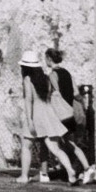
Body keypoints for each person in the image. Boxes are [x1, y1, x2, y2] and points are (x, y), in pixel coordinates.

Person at [17, 53, 78, 184]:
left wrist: (29, 121)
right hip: (48, 114)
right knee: (55, 148)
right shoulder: (45, 78)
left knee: (26, 146)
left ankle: (23, 176)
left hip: (36, 114)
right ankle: (70, 170)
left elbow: (29, 101)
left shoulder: (27, 79)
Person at [45, 47, 96, 182]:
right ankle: (87, 169)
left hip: (59, 114)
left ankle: (68, 171)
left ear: (49, 59)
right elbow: (75, 93)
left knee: (52, 144)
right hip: (69, 113)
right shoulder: (67, 73)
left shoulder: (52, 74)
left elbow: (54, 94)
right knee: (71, 144)